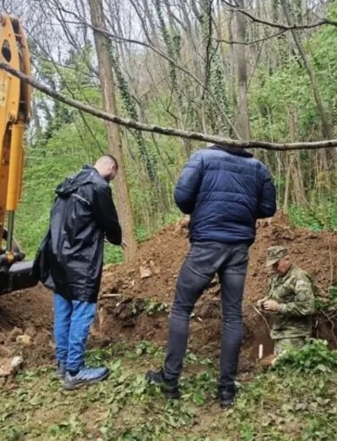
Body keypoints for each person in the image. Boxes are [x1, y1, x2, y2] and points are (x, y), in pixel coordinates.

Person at [146, 144, 277, 408]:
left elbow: (182, 198)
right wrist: (242, 207)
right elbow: (267, 208)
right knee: (232, 316)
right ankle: (226, 390)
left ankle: (170, 380)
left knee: (182, 308)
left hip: (206, 243)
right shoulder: (258, 168)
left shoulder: (202, 158)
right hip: (238, 248)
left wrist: (204, 203)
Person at [33, 155, 122, 390]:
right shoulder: (98, 186)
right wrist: (116, 238)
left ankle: (62, 364)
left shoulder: (69, 182)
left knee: (63, 312)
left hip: (57, 257)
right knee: (82, 312)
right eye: (114, 175)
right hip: (81, 261)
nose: (112, 179)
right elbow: (110, 223)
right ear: (110, 168)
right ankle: (74, 371)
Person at [257, 246, 315, 357]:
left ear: (287, 259)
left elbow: (307, 308)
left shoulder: (299, 278)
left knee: (285, 364)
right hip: (280, 332)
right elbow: (276, 297)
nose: (274, 268)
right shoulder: (276, 278)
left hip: (295, 333)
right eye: (272, 265)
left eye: (276, 264)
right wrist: (264, 302)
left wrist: (278, 307)